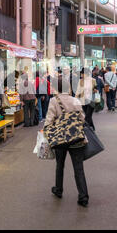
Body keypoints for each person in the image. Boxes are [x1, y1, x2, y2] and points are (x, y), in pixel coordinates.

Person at [45, 76, 89, 207]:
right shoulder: (75, 100)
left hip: (60, 139)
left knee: (60, 165)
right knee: (78, 168)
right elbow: (82, 118)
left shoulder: (54, 101)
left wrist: (46, 132)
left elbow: (49, 120)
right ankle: (83, 196)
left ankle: (58, 189)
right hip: (75, 137)